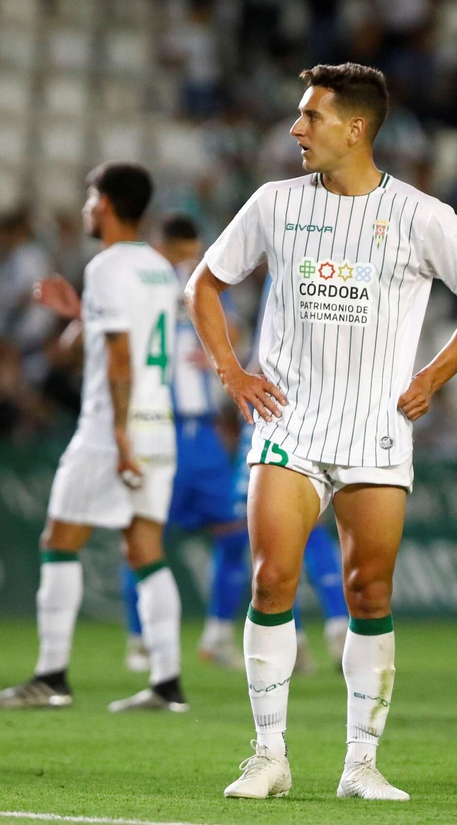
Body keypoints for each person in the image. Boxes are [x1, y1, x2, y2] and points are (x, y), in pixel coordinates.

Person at [187, 63, 457, 801]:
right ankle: (268, 756)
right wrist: (233, 374)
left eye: (312, 117)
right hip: (290, 423)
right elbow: (203, 284)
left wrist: (433, 376)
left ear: (356, 129)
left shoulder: (423, 215)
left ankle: (361, 764)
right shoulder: (274, 203)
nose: (296, 129)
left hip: (376, 430)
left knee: (369, 590)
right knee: (272, 578)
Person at [0, 161, 189, 715]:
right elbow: (127, 339)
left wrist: (118, 435)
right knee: (145, 549)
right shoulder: (159, 269)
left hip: (109, 428)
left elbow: (119, 356)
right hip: (159, 424)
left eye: (90, 198)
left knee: (59, 541)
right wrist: (77, 313)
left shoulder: (106, 267)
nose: (85, 208)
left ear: (107, 204)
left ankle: (51, 675)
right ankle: (167, 683)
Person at [116, 213, 349, 674]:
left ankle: (217, 634)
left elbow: (239, 334)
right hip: (158, 424)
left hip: (203, 433)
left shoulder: (208, 289)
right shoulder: (144, 285)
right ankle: (139, 638)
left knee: (235, 533)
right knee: (145, 534)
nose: (194, 259)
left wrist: (218, 352)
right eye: (189, 250)